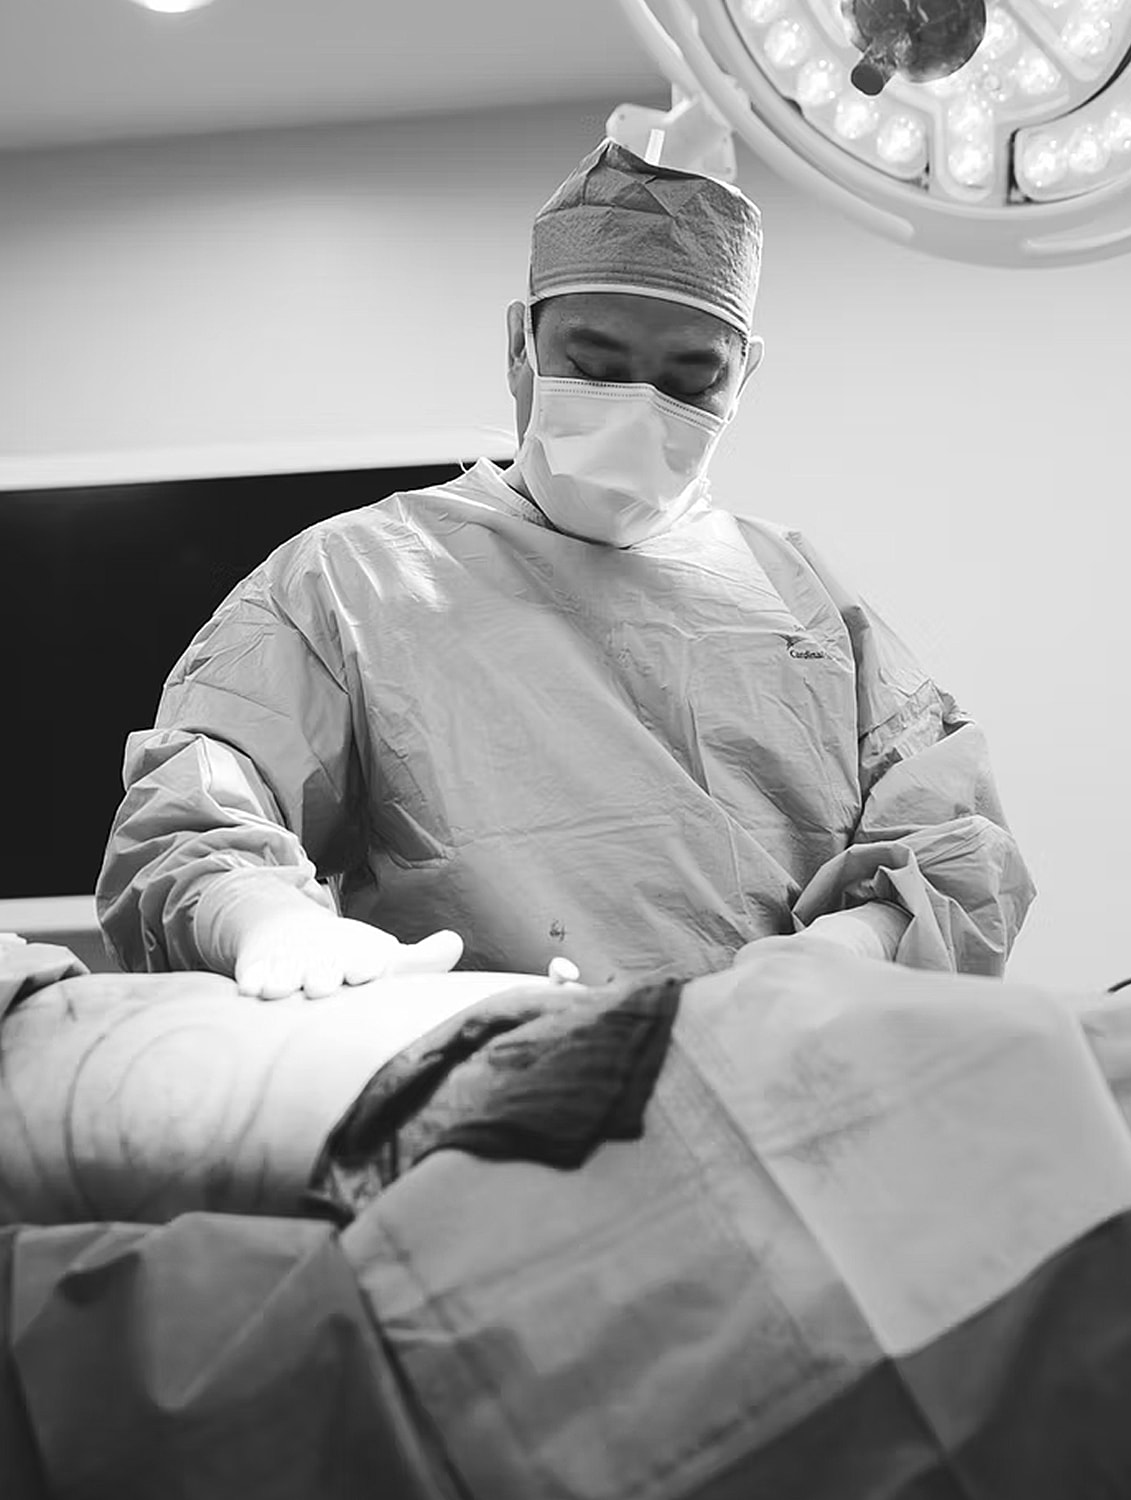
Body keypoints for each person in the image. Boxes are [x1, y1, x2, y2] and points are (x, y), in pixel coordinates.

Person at [96, 138, 1035, 999]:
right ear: (520, 345)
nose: (640, 407)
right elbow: (200, 798)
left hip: (777, 1078)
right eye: (597, 361)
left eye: (689, 380)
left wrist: (857, 944)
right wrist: (262, 915)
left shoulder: (807, 599)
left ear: (744, 376)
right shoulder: (352, 582)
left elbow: (954, 849)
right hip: (483, 1094)